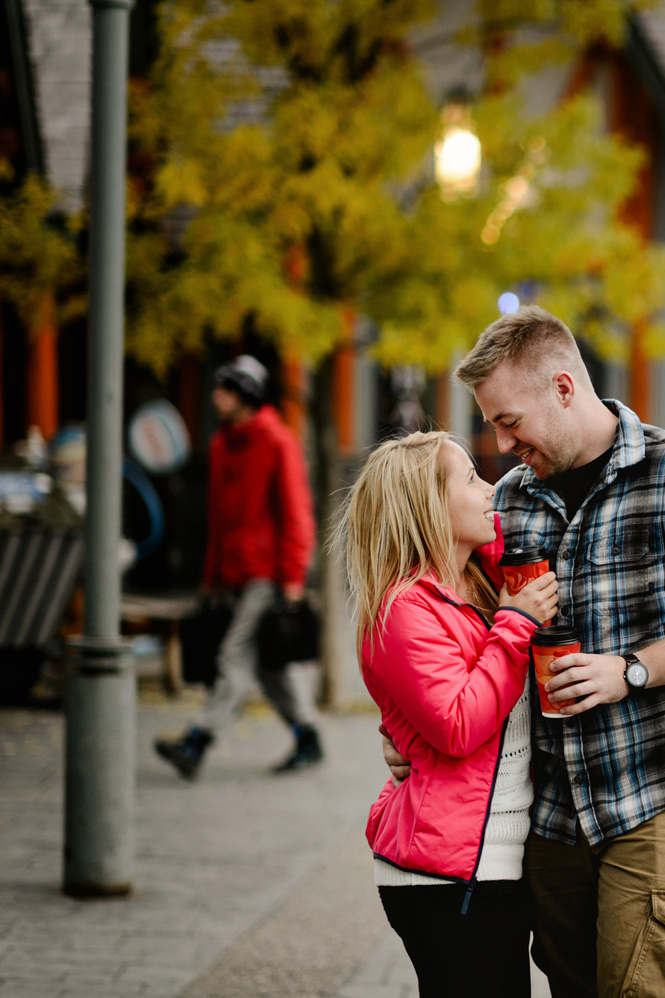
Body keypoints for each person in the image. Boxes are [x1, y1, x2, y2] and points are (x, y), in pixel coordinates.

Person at [383, 305, 665, 997]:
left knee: (641, 988)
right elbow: (463, 635)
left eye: (510, 421)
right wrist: (410, 729)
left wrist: (631, 671)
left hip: (663, 782)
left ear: (564, 389)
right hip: (554, 810)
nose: (502, 443)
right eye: (492, 425)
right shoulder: (509, 501)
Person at [338, 430, 559, 997]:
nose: (492, 491)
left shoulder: (477, 584)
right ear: (428, 506)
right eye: (471, 479)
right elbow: (458, 725)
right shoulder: (403, 608)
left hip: (492, 862)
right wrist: (516, 624)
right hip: (446, 873)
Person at [155, 355, 322, 778]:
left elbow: (296, 511)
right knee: (267, 664)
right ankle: (308, 737)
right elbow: (218, 519)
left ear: (246, 395)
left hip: (267, 572)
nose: (216, 397)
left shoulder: (277, 441)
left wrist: (292, 578)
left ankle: (196, 742)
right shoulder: (221, 444)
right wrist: (211, 576)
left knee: (234, 653)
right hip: (233, 572)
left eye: (225, 390)